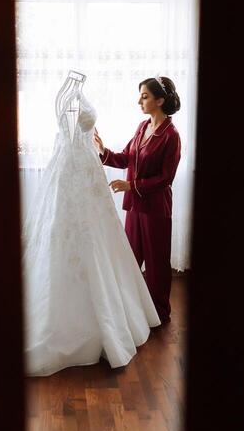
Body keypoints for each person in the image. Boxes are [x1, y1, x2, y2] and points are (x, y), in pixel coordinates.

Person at [22, 71, 160, 376]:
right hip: (76, 170)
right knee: (75, 236)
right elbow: (71, 134)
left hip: (85, 170)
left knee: (101, 240)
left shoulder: (73, 92)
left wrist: (98, 149)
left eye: (145, 95)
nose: (140, 100)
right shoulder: (69, 94)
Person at [94, 76, 181, 323]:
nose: (139, 101)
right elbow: (126, 158)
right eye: (140, 95)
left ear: (160, 100)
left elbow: (166, 178)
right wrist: (104, 151)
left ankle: (160, 315)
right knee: (130, 260)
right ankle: (133, 311)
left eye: (145, 96)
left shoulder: (171, 135)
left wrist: (130, 185)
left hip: (155, 209)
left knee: (156, 266)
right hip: (135, 207)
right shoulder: (142, 127)